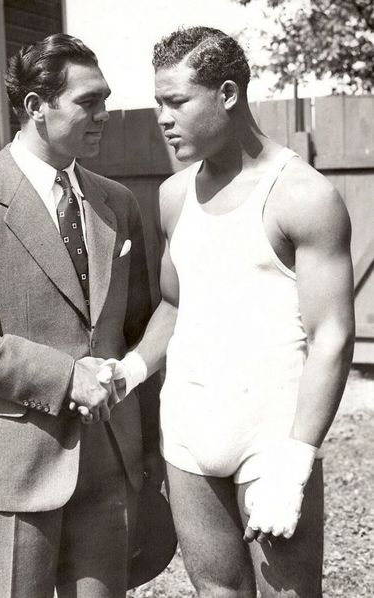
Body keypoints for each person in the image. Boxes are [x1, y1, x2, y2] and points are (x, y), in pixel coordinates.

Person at [106, 26, 355, 598]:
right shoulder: (173, 195)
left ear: (227, 93)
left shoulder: (301, 195)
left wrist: (296, 462)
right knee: (216, 591)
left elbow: (333, 337)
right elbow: (174, 303)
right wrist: (132, 370)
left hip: (271, 436)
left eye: (176, 102)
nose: (163, 120)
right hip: (190, 430)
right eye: (157, 104)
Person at [0, 33, 161, 598]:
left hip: (107, 466)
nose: (105, 113)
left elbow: (140, 331)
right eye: (88, 101)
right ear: (35, 106)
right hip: (11, 471)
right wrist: (63, 376)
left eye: (105, 98)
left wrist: (148, 451)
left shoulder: (117, 203)